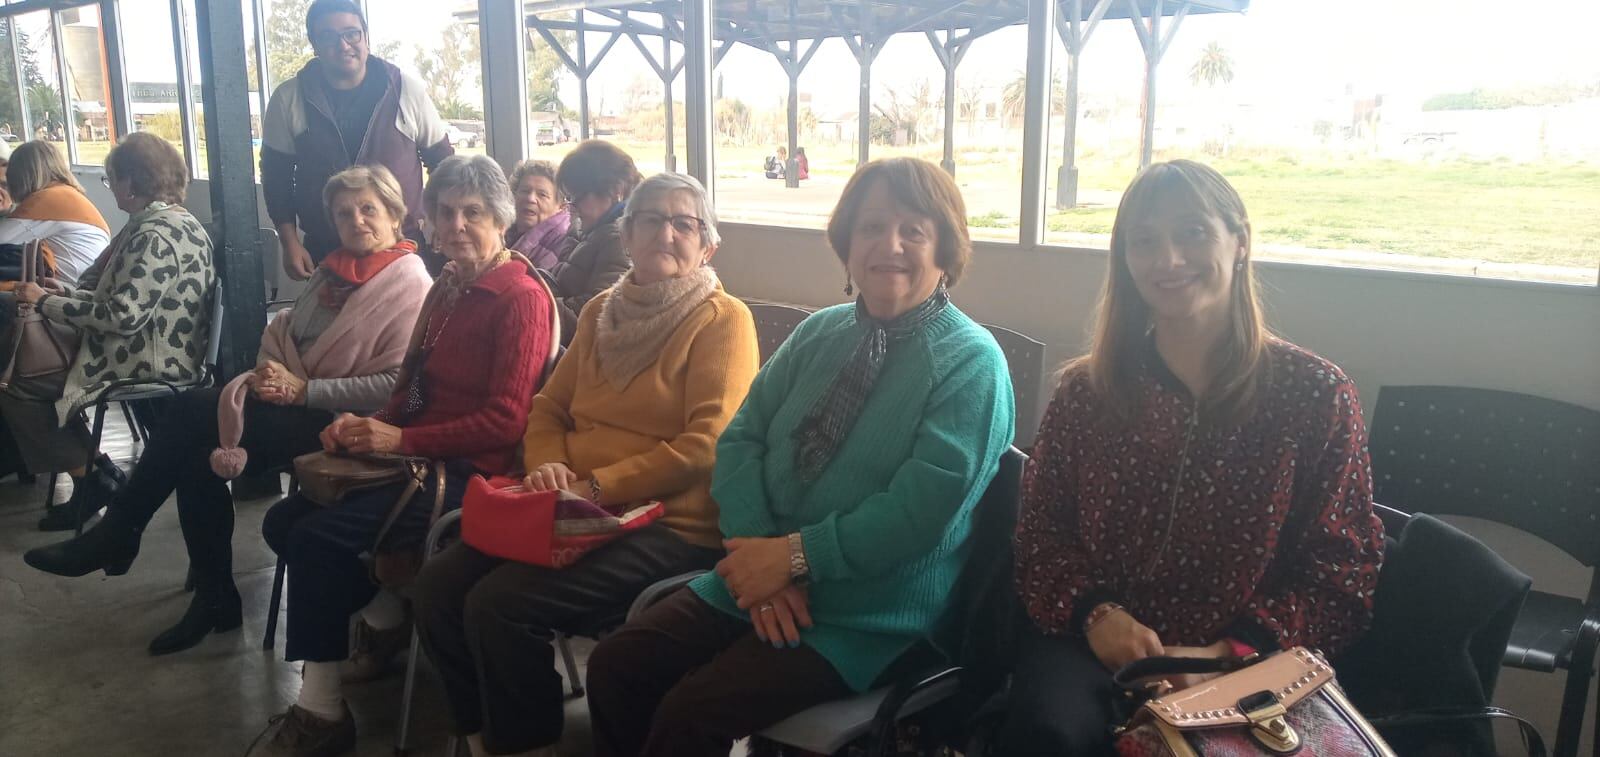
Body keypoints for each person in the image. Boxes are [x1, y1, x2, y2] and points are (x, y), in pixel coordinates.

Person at [585, 157, 1015, 756]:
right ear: (847, 244)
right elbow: (740, 442)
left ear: (946, 247)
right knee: (616, 664)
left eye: (912, 231)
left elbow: (919, 514)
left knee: (691, 714)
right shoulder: (822, 332)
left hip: (871, 615)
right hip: (760, 575)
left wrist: (791, 557)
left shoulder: (973, 363)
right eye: (870, 228)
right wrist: (762, 561)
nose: (888, 245)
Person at [997, 160, 1386, 755]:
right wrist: (1097, 615)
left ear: (1239, 242)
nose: (1168, 259)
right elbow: (1040, 535)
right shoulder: (1088, 392)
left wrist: (1228, 653)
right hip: (1094, 643)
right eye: (1144, 241)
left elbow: (1344, 569)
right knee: (1050, 735)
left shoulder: (1315, 394)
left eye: (1192, 233)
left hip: (1253, 657)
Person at [412, 172, 759, 757]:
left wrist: (599, 484)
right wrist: (547, 466)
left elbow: (708, 444)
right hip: (574, 503)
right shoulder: (602, 310)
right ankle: (482, 739)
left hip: (669, 522)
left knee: (500, 605)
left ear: (709, 245)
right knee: (438, 586)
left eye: (684, 223)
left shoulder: (722, 321)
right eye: (650, 219)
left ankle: (528, 745)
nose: (666, 233)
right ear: (626, 235)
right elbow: (548, 407)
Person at [21, 164, 433, 656]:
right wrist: (271, 373)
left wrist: (302, 389)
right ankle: (214, 597)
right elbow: (279, 332)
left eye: (369, 209)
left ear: (395, 214)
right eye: (344, 212)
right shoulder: (332, 269)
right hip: (291, 402)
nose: (357, 219)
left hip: (347, 422)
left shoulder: (409, 283)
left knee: (190, 410)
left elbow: (393, 386)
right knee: (198, 460)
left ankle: (119, 531)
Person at [254, 154, 556, 757]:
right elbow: (409, 392)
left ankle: (322, 711)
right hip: (417, 462)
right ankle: (389, 614)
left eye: (473, 213)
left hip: (472, 476)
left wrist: (401, 440)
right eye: (445, 213)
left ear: (500, 220)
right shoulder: (447, 288)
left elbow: (505, 422)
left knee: (317, 539)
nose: (457, 225)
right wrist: (369, 424)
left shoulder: (518, 296)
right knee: (282, 520)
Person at [1, 133, 214, 532]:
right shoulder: (164, 223)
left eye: (111, 178)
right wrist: (62, 292)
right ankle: (94, 473)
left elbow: (123, 315)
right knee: (27, 375)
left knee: (22, 388)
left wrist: (45, 302)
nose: (110, 187)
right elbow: (116, 296)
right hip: (145, 345)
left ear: (132, 183)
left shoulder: (153, 235)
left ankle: (92, 476)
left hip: (144, 357)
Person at [261, 0, 453, 281]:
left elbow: (444, 163)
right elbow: (276, 180)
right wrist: (289, 242)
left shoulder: (405, 90)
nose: (343, 45)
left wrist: (440, 220)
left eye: (351, 33)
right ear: (314, 44)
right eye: (328, 37)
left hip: (402, 250)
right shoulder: (289, 98)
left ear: (365, 36)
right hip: (326, 251)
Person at [549, 139, 638, 342]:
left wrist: (535, 303)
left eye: (578, 196)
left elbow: (597, 312)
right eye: (569, 198)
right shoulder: (592, 230)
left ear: (616, 190)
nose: (573, 206)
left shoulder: (620, 240)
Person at [0, 140, 111, 286]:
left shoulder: (46, 200)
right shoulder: (67, 195)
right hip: (89, 287)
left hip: (73, 293)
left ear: (21, 175)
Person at [504, 159, 571, 270]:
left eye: (542, 195)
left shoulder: (565, 243)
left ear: (561, 206)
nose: (530, 199)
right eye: (525, 191)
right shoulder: (501, 230)